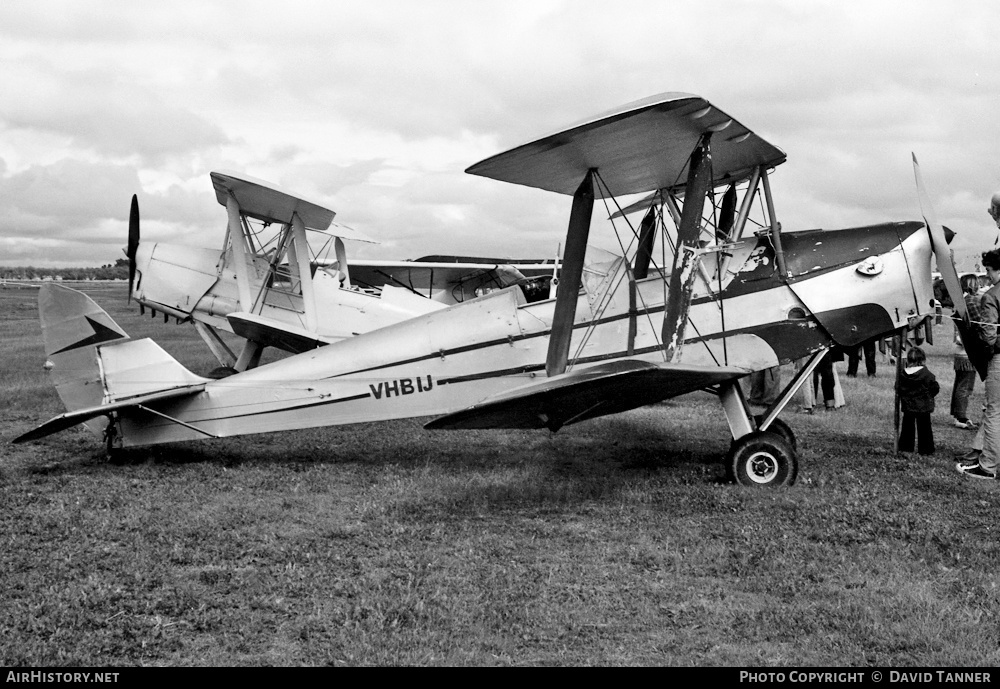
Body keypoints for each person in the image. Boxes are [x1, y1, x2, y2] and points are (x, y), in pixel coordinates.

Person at [958, 248, 1000, 479]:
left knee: (994, 412)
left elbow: (989, 337)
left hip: (999, 359)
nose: (988, 275)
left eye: (989, 271)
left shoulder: (991, 295)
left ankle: (987, 466)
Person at [950, 274, 982, 430]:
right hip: (968, 351)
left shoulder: (960, 302)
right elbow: (979, 325)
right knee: (966, 387)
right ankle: (961, 417)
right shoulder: (972, 301)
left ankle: (957, 414)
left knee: (960, 384)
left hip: (960, 351)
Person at [896, 346, 939, 454]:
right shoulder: (926, 374)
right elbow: (934, 388)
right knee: (925, 428)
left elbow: (898, 388)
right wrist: (929, 396)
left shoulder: (902, 374)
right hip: (923, 405)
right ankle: (926, 449)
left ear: (908, 360)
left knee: (907, 427)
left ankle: (905, 447)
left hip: (908, 405)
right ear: (922, 360)